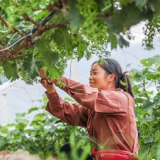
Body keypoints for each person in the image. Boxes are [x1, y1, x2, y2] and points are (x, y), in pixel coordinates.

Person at [39, 58, 139, 159]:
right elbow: (66, 111)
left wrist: (56, 78)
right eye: (90, 74)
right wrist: (51, 91)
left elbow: (88, 94)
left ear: (110, 77)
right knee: (68, 149)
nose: (90, 77)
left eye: (95, 73)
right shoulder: (94, 109)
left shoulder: (121, 98)